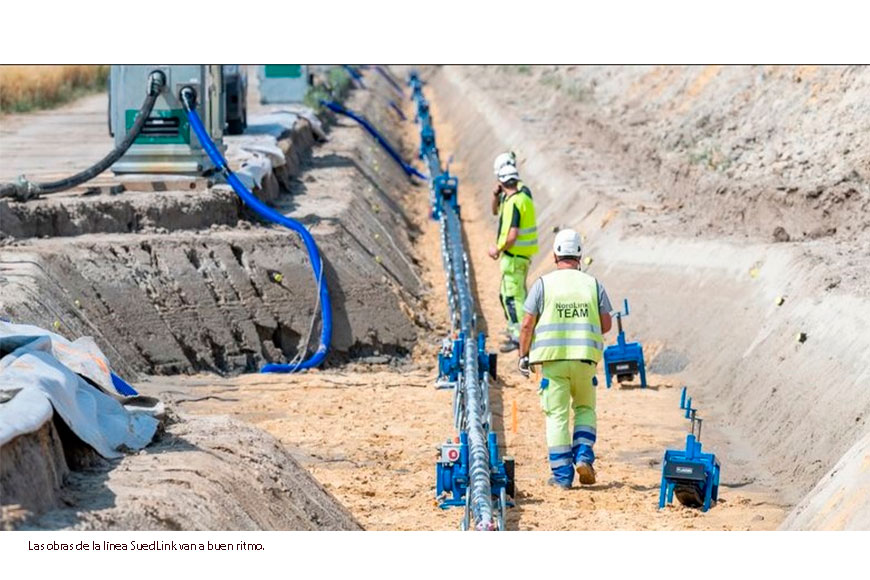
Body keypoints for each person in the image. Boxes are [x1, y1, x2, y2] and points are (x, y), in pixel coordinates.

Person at [517, 228, 613, 488]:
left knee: (556, 416)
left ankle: (562, 476)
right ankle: (583, 455)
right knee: (584, 409)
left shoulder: (543, 285)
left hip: (553, 363)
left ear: (555, 254)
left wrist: (523, 355)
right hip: (585, 362)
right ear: (580, 254)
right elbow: (606, 325)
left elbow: (526, 325)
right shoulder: (594, 285)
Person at [488, 163, 538, 353]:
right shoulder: (522, 197)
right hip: (520, 257)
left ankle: (520, 338)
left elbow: (512, 235)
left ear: (501, 182)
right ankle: (518, 333)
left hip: (514, 258)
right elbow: (495, 210)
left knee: (513, 299)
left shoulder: (514, 202)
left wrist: (497, 249)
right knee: (511, 296)